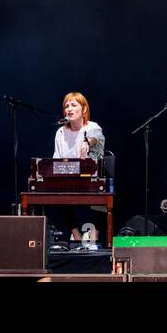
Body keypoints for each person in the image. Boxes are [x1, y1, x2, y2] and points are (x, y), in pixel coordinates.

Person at [49, 92, 105, 246]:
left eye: (73, 105)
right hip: (68, 177)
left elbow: (96, 139)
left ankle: (94, 238)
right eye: (66, 106)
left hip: (91, 177)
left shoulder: (93, 127)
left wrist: (87, 142)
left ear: (84, 109)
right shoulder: (60, 132)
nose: (69, 109)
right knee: (55, 192)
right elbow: (56, 158)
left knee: (102, 192)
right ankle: (76, 235)